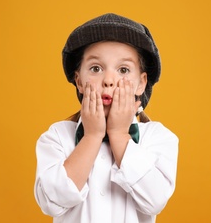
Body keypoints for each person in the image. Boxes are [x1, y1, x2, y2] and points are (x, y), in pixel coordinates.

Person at [34, 13, 179, 223]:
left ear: (141, 83)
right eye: (96, 68)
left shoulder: (159, 137)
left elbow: (155, 199)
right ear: (79, 81)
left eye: (123, 69)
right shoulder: (57, 136)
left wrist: (119, 134)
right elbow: (51, 202)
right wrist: (92, 136)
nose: (109, 80)